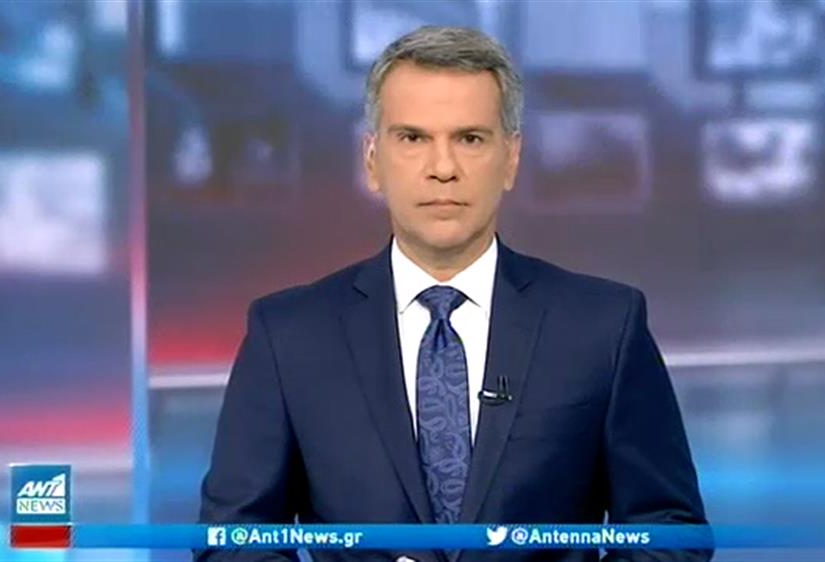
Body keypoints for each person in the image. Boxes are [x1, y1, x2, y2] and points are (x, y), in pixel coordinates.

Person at [197, 26, 711, 562]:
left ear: (511, 158)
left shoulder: (603, 327)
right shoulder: (289, 336)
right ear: (372, 159)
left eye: (470, 139)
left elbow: (669, 535)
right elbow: (232, 542)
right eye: (412, 139)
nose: (442, 169)